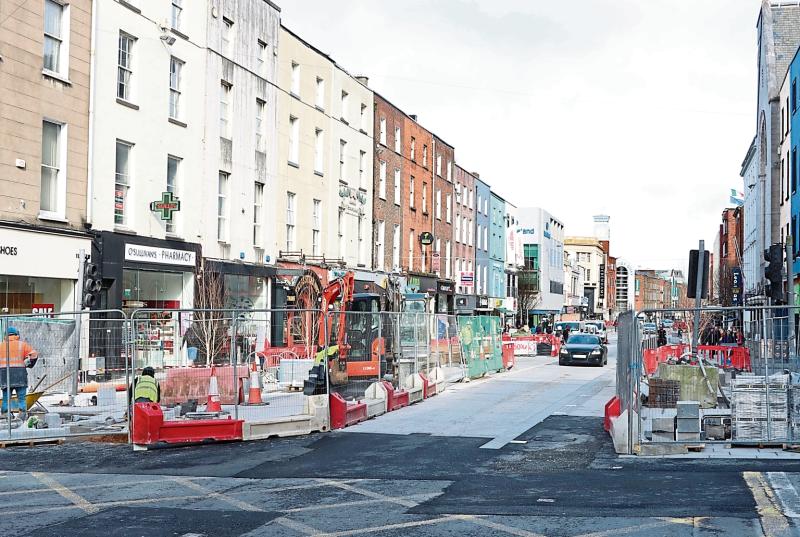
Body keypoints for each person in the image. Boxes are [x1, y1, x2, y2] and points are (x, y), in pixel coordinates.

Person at [0, 326, 38, 418]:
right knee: (21, 397)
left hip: (5, 374)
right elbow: (34, 354)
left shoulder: (1, 346)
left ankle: (5, 414)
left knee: (6, 397)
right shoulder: (23, 345)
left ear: (5, 336)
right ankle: (22, 414)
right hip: (19, 374)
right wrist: (30, 364)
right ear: (17, 335)